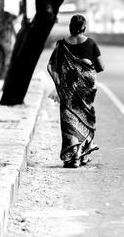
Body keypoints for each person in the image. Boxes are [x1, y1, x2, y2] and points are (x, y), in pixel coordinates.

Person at [47, 14, 105, 168]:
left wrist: (59, 83)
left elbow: (51, 66)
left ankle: (73, 157)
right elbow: (101, 67)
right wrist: (85, 64)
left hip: (68, 90)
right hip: (86, 90)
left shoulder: (62, 45)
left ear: (70, 27)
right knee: (85, 120)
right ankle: (82, 155)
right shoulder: (91, 44)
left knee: (69, 121)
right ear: (84, 27)